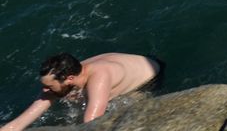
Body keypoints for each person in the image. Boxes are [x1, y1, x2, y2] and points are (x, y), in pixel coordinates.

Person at [1, 52, 163, 131]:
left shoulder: (98, 78)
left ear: (69, 78)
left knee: (128, 114)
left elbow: (92, 122)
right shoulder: (65, 77)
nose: (45, 90)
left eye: (49, 87)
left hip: (149, 78)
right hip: (128, 65)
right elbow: (17, 124)